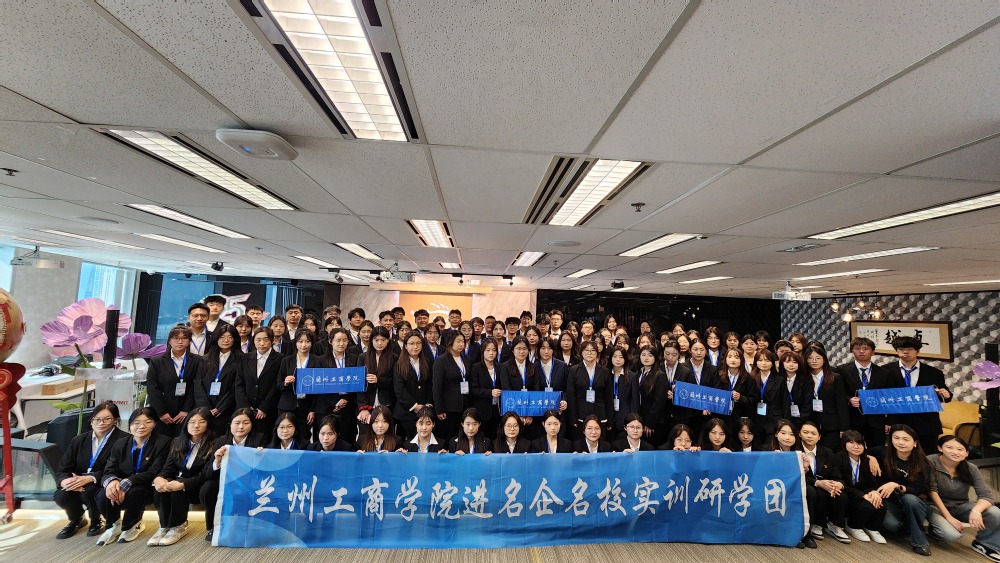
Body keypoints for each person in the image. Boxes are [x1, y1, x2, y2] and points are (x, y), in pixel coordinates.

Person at [94, 407, 170, 546]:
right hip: (122, 483)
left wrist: (128, 481)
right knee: (103, 494)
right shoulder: (120, 443)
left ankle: (133, 525)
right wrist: (111, 482)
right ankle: (114, 525)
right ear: (129, 425)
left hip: (148, 484)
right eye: (136, 423)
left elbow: (155, 470)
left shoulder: (163, 442)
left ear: (155, 424)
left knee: (134, 493)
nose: (141, 426)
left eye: (147, 422)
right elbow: (110, 468)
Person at [54, 402, 128, 539]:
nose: (101, 423)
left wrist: (91, 477)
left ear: (115, 420)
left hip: (105, 481)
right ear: (91, 420)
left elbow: (123, 468)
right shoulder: (78, 440)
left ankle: (97, 520)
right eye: (97, 419)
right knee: (61, 495)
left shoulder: (124, 439)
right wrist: (65, 481)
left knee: (89, 491)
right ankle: (77, 519)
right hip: (78, 481)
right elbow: (63, 468)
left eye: (107, 419)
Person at [927, 435, 1000, 560]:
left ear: (966, 453)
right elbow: (931, 491)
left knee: (994, 512)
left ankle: (985, 544)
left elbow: (986, 496)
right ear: (940, 448)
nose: (955, 452)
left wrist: (976, 511)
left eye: (960, 449)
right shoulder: (930, 461)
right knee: (951, 535)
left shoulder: (971, 468)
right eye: (949, 447)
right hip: (934, 507)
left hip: (960, 506)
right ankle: (934, 529)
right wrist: (949, 517)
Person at [150, 408, 216, 546]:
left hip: (198, 484)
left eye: (202, 422)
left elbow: (206, 473)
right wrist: (159, 478)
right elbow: (168, 468)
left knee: (177, 489)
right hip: (178, 480)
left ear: (208, 424)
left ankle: (178, 526)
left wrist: (183, 484)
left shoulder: (214, 444)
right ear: (186, 423)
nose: (196, 425)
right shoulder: (177, 442)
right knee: (162, 487)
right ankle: (164, 526)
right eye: (192, 422)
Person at [203, 409, 266, 541]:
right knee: (208, 488)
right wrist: (217, 461)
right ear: (230, 424)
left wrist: (262, 456)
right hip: (227, 481)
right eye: (237, 423)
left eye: (246, 423)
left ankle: (250, 526)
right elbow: (208, 472)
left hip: (250, 481)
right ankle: (214, 527)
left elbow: (266, 468)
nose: (241, 427)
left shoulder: (260, 439)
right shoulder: (222, 440)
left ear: (252, 424)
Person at [885, 335, 952, 454]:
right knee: (900, 455)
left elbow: (944, 394)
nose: (905, 352)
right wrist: (888, 421)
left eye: (910, 349)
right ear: (896, 351)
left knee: (927, 456)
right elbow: (882, 397)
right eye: (901, 349)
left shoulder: (933, 372)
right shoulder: (885, 371)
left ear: (918, 351)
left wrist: (946, 394)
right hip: (899, 421)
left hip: (926, 422)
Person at [875, 424, 934, 556]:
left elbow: (921, 488)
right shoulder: (883, 452)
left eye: (905, 439)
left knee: (910, 499)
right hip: (891, 502)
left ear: (915, 443)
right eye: (896, 438)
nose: (900, 442)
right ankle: (909, 525)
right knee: (894, 526)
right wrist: (871, 458)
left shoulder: (923, 462)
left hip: (915, 502)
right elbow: (862, 451)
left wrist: (897, 486)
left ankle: (920, 543)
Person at [835, 337, 894, 448]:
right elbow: (838, 393)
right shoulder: (842, 370)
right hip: (852, 419)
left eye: (865, 349)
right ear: (852, 351)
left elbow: (890, 397)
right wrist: (849, 400)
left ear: (873, 352)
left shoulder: (884, 373)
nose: (861, 351)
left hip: (876, 421)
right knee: (852, 449)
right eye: (857, 348)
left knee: (877, 450)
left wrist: (889, 421)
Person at [146, 326, 204, 438]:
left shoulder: (197, 360)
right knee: (162, 441)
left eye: (184, 338)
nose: (180, 341)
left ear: (189, 341)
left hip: (187, 411)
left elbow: (196, 386)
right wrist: (161, 412)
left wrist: (186, 410)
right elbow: (152, 388)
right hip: (163, 410)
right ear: (169, 340)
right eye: (176, 338)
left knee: (182, 441)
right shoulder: (157, 361)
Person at [798, 420, 850, 543]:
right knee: (817, 493)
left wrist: (838, 484)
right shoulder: (795, 451)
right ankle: (816, 524)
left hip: (825, 484)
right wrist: (818, 483)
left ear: (819, 437)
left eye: (813, 433)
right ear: (799, 434)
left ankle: (834, 525)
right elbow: (797, 475)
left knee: (840, 494)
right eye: (805, 432)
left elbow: (836, 474)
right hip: (807, 484)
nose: (809, 436)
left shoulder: (827, 452)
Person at [835, 430, 888, 544]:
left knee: (881, 504)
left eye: (859, 443)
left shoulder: (868, 460)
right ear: (844, 443)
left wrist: (874, 492)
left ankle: (872, 528)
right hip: (847, 493)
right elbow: (840, 482)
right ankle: (853, 526)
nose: (856, 446)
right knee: (866, 506)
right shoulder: (838, 458)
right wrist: (863, 495)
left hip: (863, 491)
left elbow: (873, 482)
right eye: (851, 442)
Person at [195, 324, 242, 436]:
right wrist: (205, 408)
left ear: (235, 339)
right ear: (216, 338)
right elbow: (198, 383)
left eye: (230, 337)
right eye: (222, 337)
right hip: (205, 408)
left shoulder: (241, 359)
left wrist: (221, 407)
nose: (226, 340)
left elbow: (237, 386)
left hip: (227, 409)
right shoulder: (205, 359)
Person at [235, 327, 283, 436]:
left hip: (268, 410)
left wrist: (264, 407)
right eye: (258, 340)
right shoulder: (245, 358)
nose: (262, 343)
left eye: (266, 339)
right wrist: (246, 407)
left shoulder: (280, 359)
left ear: (272, 340)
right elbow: (239, 384)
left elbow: (276, 385)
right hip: (246, 409)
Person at [317, 328, 359, 445]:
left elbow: (357, 382)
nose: (342, 343)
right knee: (326, 441)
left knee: (347, 440)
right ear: (330, 341)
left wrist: (345, 400)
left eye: (345, 340)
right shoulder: (321, 360)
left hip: (348, 406)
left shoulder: (355, 359)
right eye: (338, 340)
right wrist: (335, 402)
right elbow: (319, 385)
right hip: (327, 406)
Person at [804, 344, 850, 450]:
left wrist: (844, 429)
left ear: (824, 360)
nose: (814, 361)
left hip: (832, 424)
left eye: (818, 358)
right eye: (810, 358)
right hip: (811, 422)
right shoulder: (803, 378)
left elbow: (841, 404)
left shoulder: (835, 378)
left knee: (830, 452)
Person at [276, 331, 321, 441]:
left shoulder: (317, 360)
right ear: (295, 343)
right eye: (300, 341)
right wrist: (285, 383)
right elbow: (278, 385)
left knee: (304, 437)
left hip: (306, 407)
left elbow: (319, 388)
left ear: (312, 343)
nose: (304, 345)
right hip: (287, 406)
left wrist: (313, 410)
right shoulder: (286, 360)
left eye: (307, 341)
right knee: (285, 437)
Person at [566, 340, 615, 440]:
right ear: (581, 352)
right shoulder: (574, 370)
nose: (589, 353)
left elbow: (609, 397)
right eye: (586, 350)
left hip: (600, 414)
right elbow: (571, 395)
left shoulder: (605, 371)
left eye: (592, 350)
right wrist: (573, 418)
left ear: (597, 353)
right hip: (581, 415)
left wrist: (610, 419)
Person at [356, 326, 396, 442]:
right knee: (365, 438)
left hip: (387, 403)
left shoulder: (394, 358)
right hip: (367, 404)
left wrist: (379, 380)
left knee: (386, 437)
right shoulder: (363, 357)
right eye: (376, 340)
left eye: (383, 340)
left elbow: (394, 382)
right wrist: (363, 407)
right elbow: (359, 384)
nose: (379, 343)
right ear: (371, 340)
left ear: (388, 340)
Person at [499, 336, 542, 436]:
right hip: (512, 412)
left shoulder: (533, 366)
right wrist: (517, 415)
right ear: (513, 350)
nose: (522, 352)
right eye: (518, 348)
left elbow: (536, 390)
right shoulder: (505, 366)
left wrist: (531, 414)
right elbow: (507, 391)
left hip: (530, 412)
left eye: (524, 349)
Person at [674, 340, 720, 435]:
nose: (699, 352)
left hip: (706, 412)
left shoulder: (713, 369)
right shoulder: (681, 367)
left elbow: (716, 390)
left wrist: (708, 405)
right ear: (690, 350)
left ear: (706, 351)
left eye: (702, 349)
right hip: (687, 412)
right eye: (695, 349)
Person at [393, 332, 433, 440]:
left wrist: (428, 403)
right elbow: (399, 390)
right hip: (406, 412)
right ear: (405, 346)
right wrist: (414, 406)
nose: (415, 347)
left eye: (418, 343)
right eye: (411, 343)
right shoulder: (399, 364)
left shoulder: (427, 362)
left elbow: (431, 385)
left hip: (424, 410)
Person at [432, 330, 470, 441]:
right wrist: (439, 409)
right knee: (447, 436)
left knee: (461, 437)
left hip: (464, 404)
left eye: (463, 341)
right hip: (448, 407)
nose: (461, 344)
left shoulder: (466, 359)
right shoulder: (441, 361)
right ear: (450, 342)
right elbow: (436, 387)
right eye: (458, 341)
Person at [632, 345, 668, 446]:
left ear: (655, 358)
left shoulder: (660, 375)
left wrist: (649, 423)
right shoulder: (639, 372)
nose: (646, 358)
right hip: (640, 419)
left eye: (650, 355)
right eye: (643, 355)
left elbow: (659, 403)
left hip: (654, 422)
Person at [468, 338, 504, 439]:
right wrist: (490, 392)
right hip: (482, 410)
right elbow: (473, 389)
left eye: (494, 350)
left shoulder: (500, 367)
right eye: (488, 350)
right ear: (482, 351)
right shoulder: (476, 367)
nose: (491, 353)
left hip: (497, 410)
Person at [719, 348, 760, 430]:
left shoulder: (749, 379)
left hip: (740, 417)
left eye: (737, 357)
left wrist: (740, 398)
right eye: (730, 357)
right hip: (722, 417)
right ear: (725, 359)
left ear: (742, 360)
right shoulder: (718, 376)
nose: (733, 360)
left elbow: (754, 400)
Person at [752, 349, 782, 445]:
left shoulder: (779, 380)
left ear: (772, 363)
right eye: (760, 360)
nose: (763, 363)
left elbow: (785, 402)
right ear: (756, 362)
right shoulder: (751, 378)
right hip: (756, 420)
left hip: (774, 420)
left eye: (767, 360)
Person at [608, 346, 637, 443]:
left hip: (625, 417)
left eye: (621, 357)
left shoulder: (632, 376)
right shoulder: (605, 374)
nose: (618, 359)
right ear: (610, 358)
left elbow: (635, 401)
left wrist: (633, 420)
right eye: (615, 356)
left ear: (625, 359)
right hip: (609, 417)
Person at [779, 350, 812, 429]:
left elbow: (808, 405)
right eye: (788, 362)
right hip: (781, 421)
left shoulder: (806, 381)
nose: (791, 365)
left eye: (795, 362)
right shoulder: (777, 380)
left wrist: (797, 422)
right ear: (782, 363)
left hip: (801, 421)